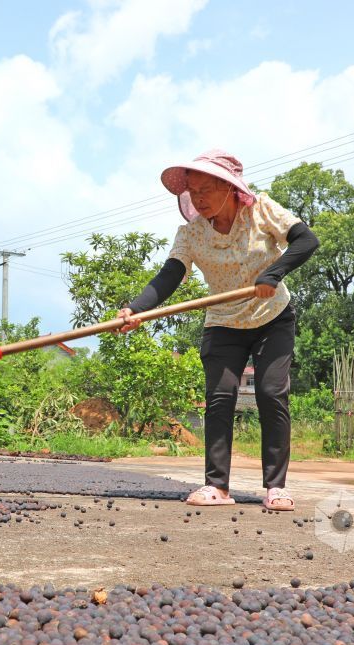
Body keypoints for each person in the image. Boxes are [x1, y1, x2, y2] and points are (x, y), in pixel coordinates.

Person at [118, 149, 319, 510]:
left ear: (229, 187)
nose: (198, 199)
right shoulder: (191, 233)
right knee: (220, 399)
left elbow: (306, 240)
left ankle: (276, 487)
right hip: (223, 322)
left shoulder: (262, 210)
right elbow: (168, 277)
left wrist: (273, 273)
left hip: (271, 316)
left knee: (272, 394)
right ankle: (217, 487)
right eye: (192, 192)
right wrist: (136, 308)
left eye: (205, 190)